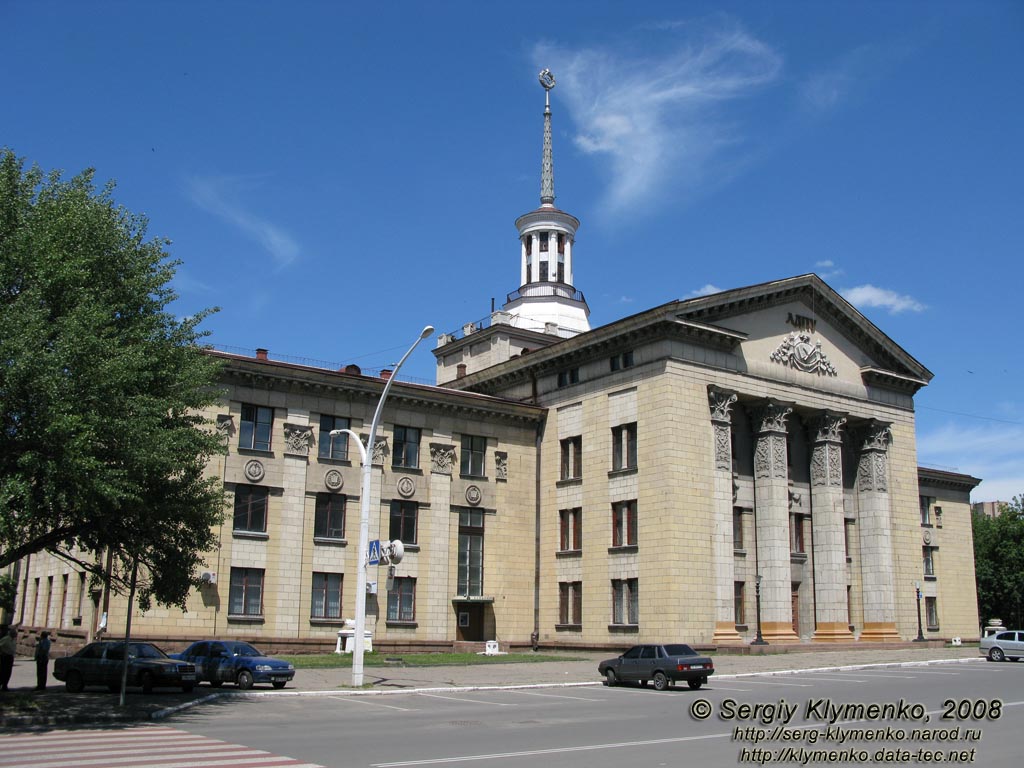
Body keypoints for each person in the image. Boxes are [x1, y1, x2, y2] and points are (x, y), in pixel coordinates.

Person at [0, 625, 15, 691]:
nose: (16, 635)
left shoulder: (13, 640)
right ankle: (1, 684)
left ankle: (5, 685)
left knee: (8, 672)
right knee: (3, 671)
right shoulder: (6, 639)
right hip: (5, 656)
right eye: (15, 634)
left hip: (10, 657)